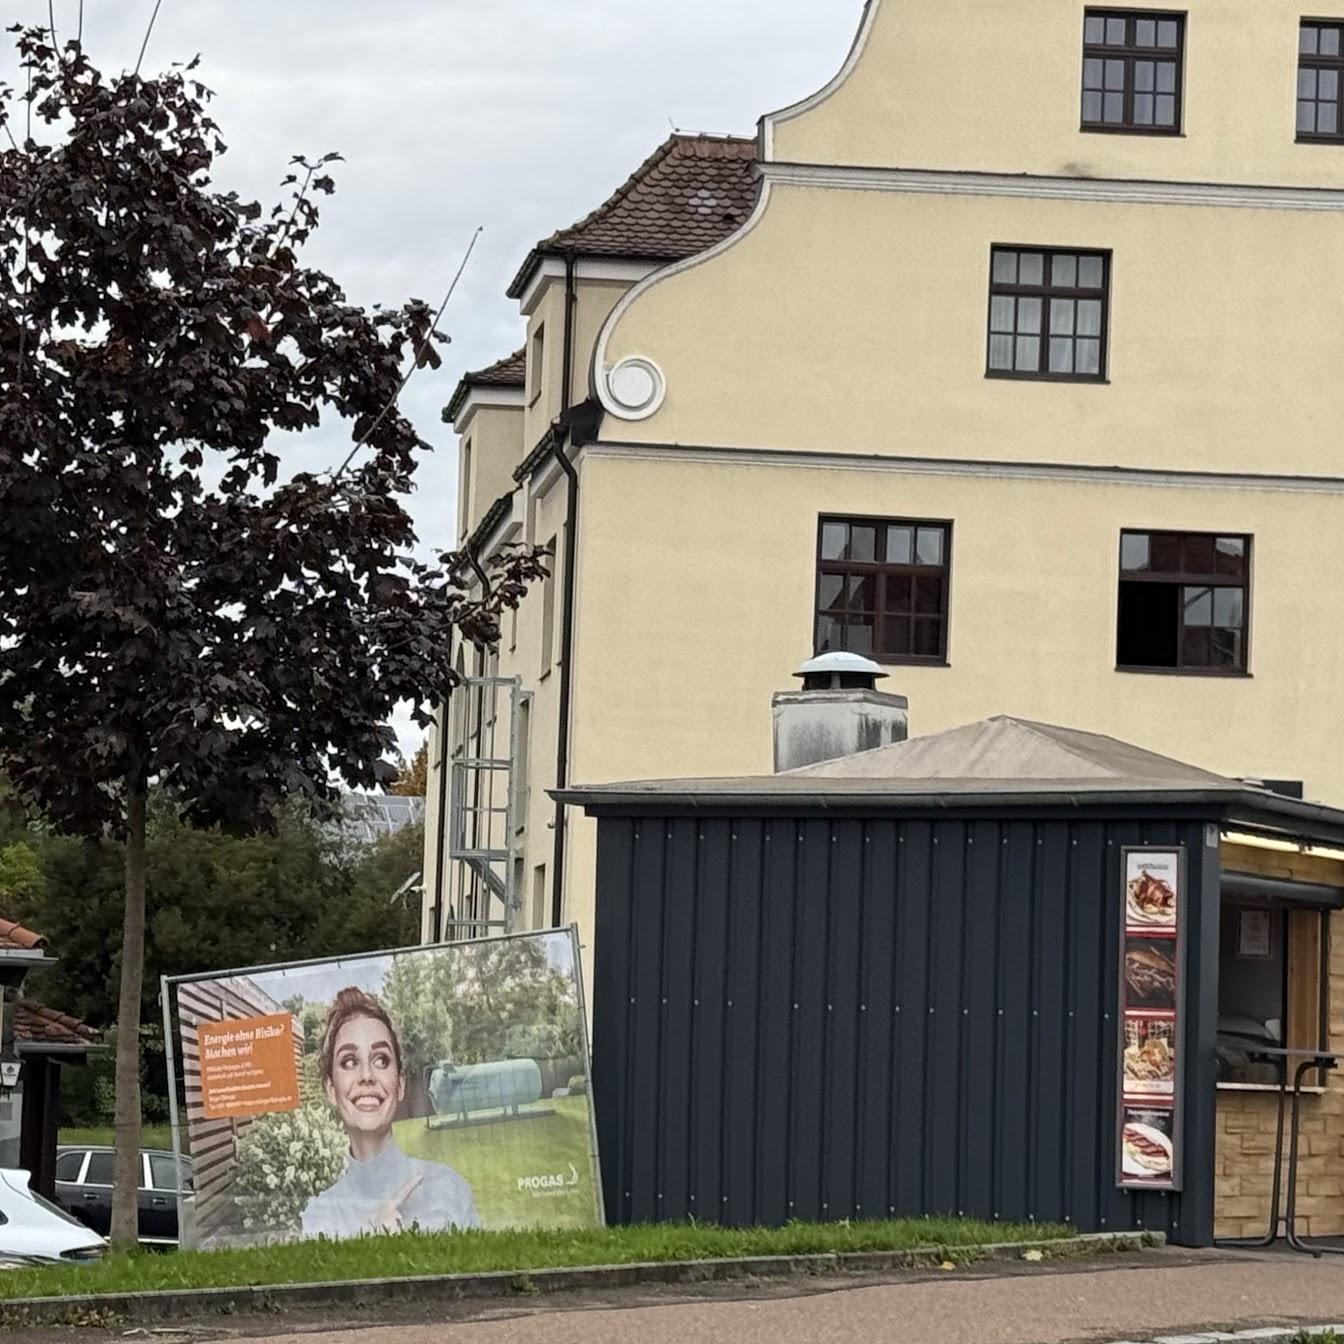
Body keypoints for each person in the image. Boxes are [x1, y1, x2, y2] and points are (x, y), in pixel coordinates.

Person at [300, 987, 480, 1239]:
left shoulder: (448, 1190)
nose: (366, 1076)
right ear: (331, 1088)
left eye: (381, 1060)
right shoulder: (319, 1218)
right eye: (349, 1062)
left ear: (400, 1084)